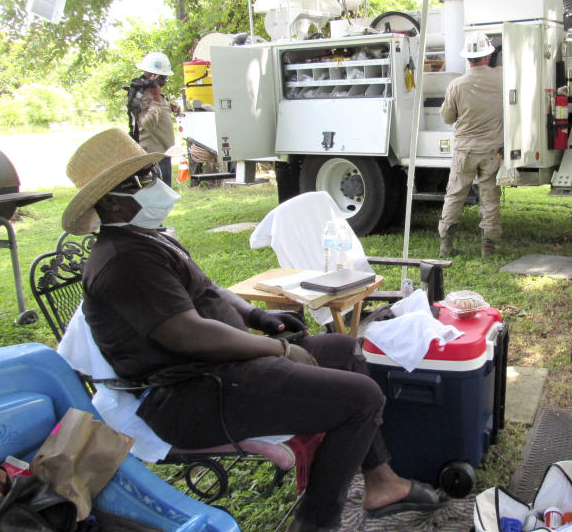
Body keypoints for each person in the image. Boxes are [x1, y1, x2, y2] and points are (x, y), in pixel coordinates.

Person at [61, 128, 442, 532]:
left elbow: (210, 291)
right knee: (361, 397)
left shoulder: (146, 240)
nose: (156, 183)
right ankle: (315, 522)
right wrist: (277, 351)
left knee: (342, 350)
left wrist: (256, 316)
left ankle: (382, 483)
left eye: (153, 172)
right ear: (110, 204)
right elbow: (186, 334)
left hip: (217, 373)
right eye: (139, 181)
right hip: (189, 394)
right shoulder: (124, 261)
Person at [438, 32, 504, 258]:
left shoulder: (456, 85)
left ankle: (446, 243)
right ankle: (489, 246)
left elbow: (447, 118)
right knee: (489, 196)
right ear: (488, 56)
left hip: (464, 150)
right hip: (492, 150)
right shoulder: (501, 78)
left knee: (455, 195)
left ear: (468, 59)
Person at [128, 52, 178, 186]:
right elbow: (146, 126)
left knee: (164, 198)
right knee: (157, 200)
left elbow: (159, 111)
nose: (165, 82)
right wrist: (156, 100)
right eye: (164, 78)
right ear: (153, 75)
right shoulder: (143, 96)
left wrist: (169, 106)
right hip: (153, 157)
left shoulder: (155, 92)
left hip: (163, 153)